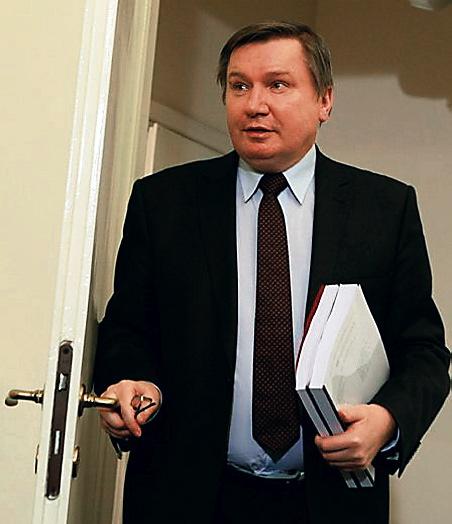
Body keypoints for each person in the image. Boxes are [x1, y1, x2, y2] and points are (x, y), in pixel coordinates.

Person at [93, 22, 450, 524]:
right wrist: (131, 380)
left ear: (325, 100)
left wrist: (387, 421)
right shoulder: (164, 202)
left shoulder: (384, 209)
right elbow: (127, 328)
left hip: (329, 503)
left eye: (278, 85)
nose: (254, 104)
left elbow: (424, 351)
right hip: (186, 495)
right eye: (239, 86)